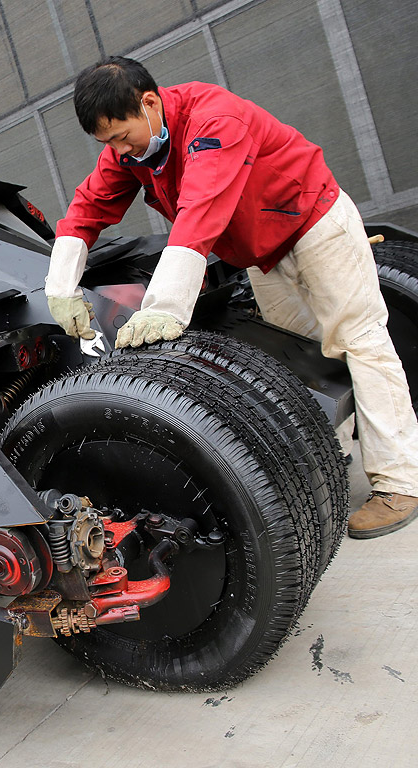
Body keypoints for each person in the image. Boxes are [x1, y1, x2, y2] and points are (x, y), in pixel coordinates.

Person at [45, 56, 418, 539]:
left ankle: (400, 482)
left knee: (359, 340)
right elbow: (87, 208)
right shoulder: (131, 151)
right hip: (262, 251)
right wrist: (60, 286)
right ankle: (335, 456)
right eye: (107, 144)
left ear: (150, 103)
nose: (118, 151)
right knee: (295, 355)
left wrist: (163, 308)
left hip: (315, 224)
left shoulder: (215, 120)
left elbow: (201, 209)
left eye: (120, 136)